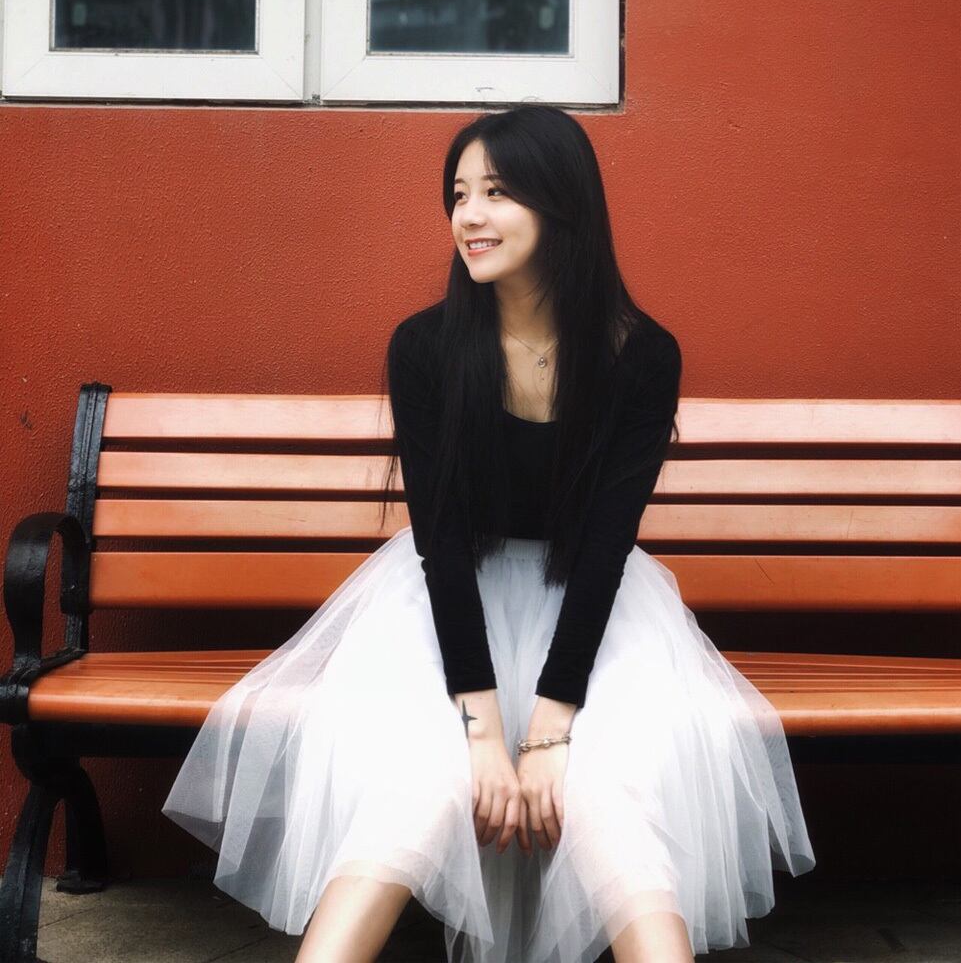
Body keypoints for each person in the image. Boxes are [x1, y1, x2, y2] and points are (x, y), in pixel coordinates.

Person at [161, 105, 815, 963]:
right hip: (442, 608)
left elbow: (606, 550)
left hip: (593, 612)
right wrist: (480, 733)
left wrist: (547, 733)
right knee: (419, 787)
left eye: (497, 192)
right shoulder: (425, 348)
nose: (469, 215)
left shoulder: (642, 357)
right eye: (460, 194)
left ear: (561, 203)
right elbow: (440, 544)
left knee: (607, 796)